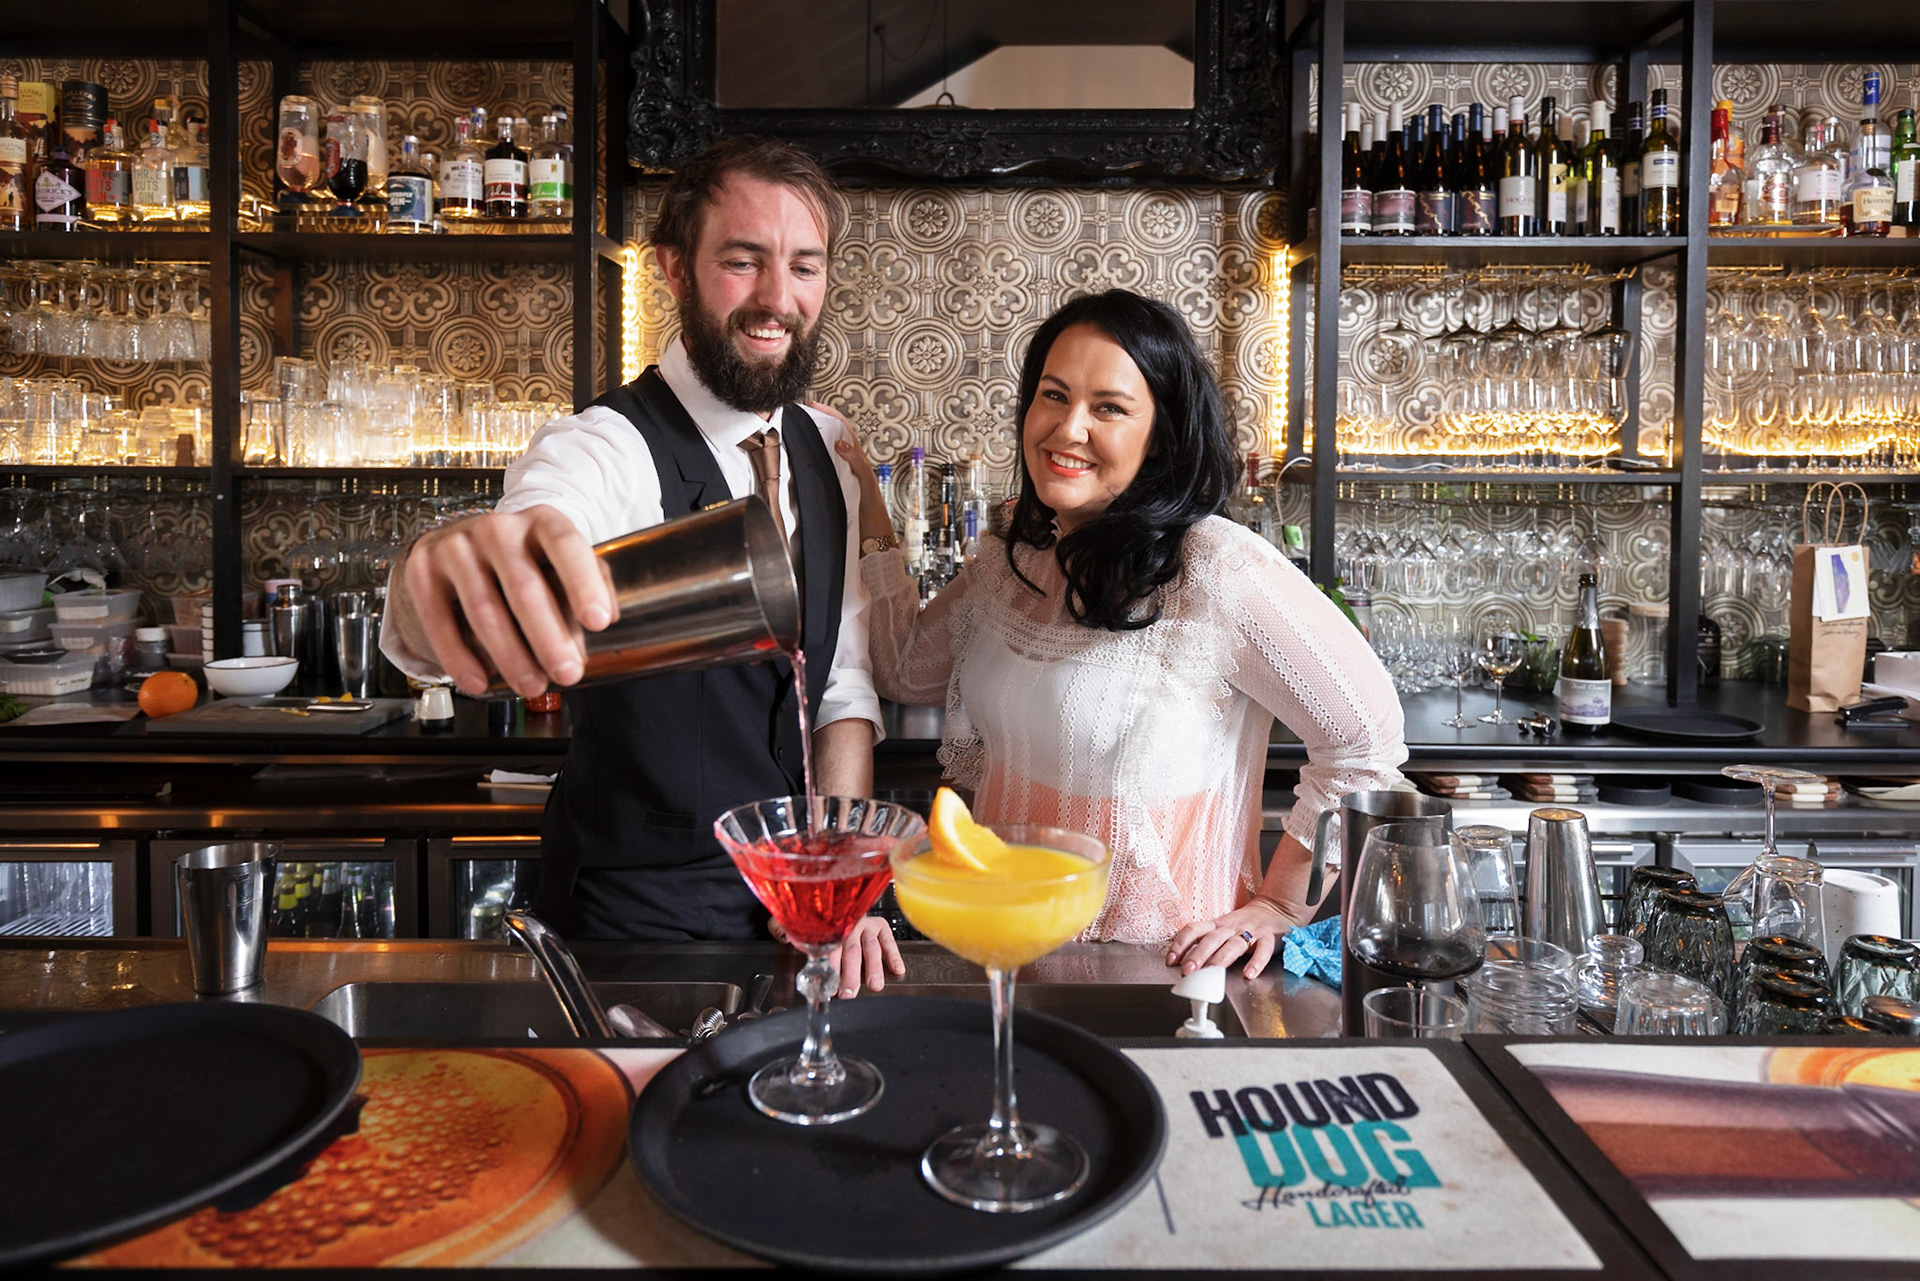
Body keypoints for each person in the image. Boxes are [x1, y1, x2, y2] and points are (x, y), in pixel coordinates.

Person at [381, 137, 901, 992]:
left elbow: (841, 689)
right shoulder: (605, 444)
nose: (779, 298)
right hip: (637, 921)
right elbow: (537, 522)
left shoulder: (827, 454)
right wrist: (436, 577)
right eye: (743, 260)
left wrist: (837, 877)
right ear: (673, 267)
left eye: (805, 267)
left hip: (794, 917)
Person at [835, 289, 1406, 979]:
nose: (1068, 428)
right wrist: (862, 492)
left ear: (1160, 434)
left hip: (1157, 973)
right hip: (1005, 955)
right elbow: (904, 669)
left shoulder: (1215, 566)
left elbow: (1366, 736)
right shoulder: (1013, 559)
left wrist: (1283, 905)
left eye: (1108, 407)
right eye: (1053, 395)